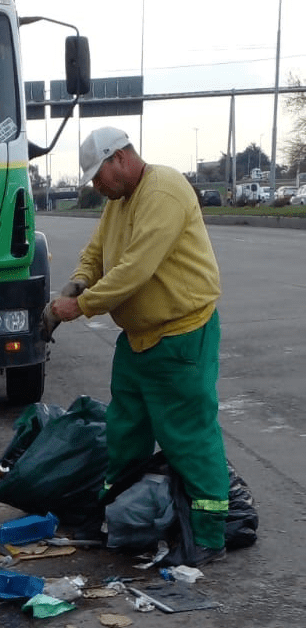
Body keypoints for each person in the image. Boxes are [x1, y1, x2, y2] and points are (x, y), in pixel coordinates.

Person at [42, 127, 230, 568]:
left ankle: (209, 534)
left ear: (120, 159)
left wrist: (80, 306)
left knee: (189, 435)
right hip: (139, 339)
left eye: (97, 175)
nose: (95, 185)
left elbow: (133, 271)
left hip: (181, 332)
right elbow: (97, 254)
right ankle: (114, 518)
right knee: (126, 429)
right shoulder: (119, 202)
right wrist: (76, 282)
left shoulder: (163, 190)